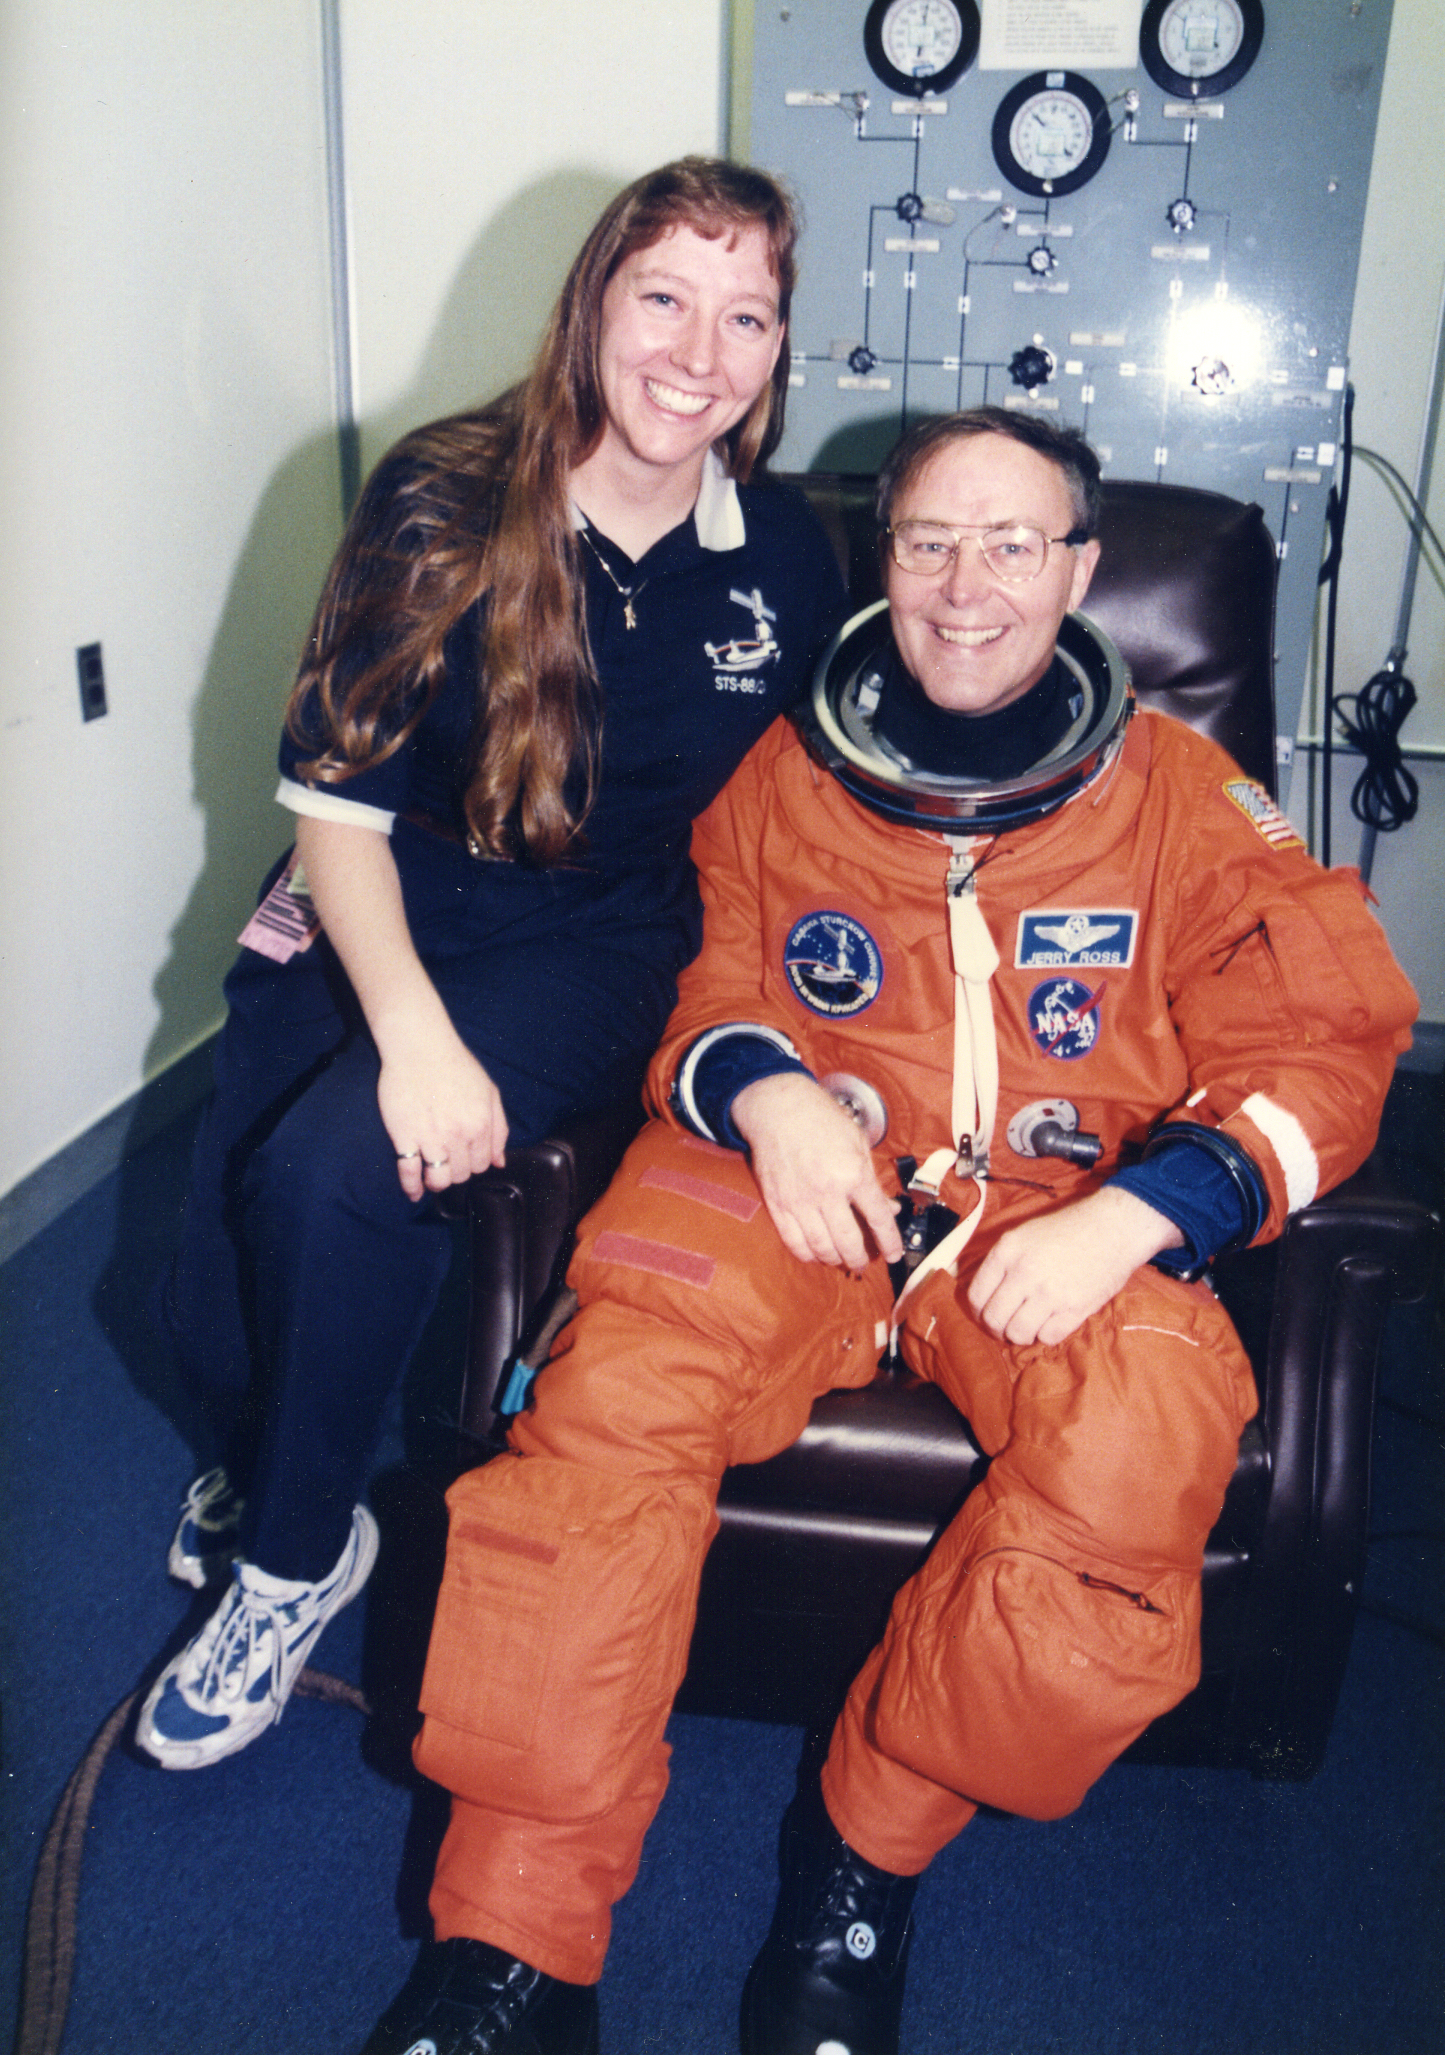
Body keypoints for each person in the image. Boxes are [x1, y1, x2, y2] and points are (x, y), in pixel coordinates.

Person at [358, 409, 1418, 2055]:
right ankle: (515, 1937)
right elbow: (700, 978)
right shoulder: (787, 770)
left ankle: (860, 1866)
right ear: (884, 561)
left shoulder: (1184, 799)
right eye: (929, 540)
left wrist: (1140, 1213)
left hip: (1063, 1206)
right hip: (800, 1175)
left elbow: (1323, 1037)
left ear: (1079, 569)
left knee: (1141, 1446)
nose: (966, 583)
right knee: (603, 1409)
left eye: (1012, 544)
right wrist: (769, 1090)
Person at [136, 157, 847, 1773]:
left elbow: (838, 776)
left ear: (778, 349)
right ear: (593, 303)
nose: (698, 350)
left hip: (592, 931)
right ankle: (266, 1448)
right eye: (663, 296)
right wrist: (411, 1026)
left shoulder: (785, 556)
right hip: (380, 877)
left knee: (339, 1171)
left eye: (747, 315)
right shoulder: (446, 494)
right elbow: (334, 805)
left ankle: (299, 1557)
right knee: (200, 1296)